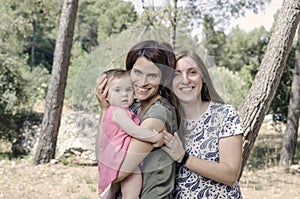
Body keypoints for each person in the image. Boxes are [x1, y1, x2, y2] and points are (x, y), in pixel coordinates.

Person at [96, 40, 178, 198]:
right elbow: (101, 153)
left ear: (163, 78)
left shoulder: (158, 113)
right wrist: (105, 109)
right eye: (138, 72)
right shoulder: (132, 108)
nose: (143, 82)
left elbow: (117, 172)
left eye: (152, 75)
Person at [162, 50, 243, 198]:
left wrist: (183, 158)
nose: (185, 80)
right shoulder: (166, 120)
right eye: (177, 74)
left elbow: (231, 174)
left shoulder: (224, 114)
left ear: (203, 77)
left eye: (192, 72)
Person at [97, 69, 164, 198]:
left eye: (128, 90)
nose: (124, 95)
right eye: (117, 90)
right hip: (117, 156)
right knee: (134, 177)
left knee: (117, 187)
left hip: (112, 155)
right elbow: (134, 130)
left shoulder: (117, 111)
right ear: (106, 95)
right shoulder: (118, 112)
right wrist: (155, 137)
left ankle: (110, 193)